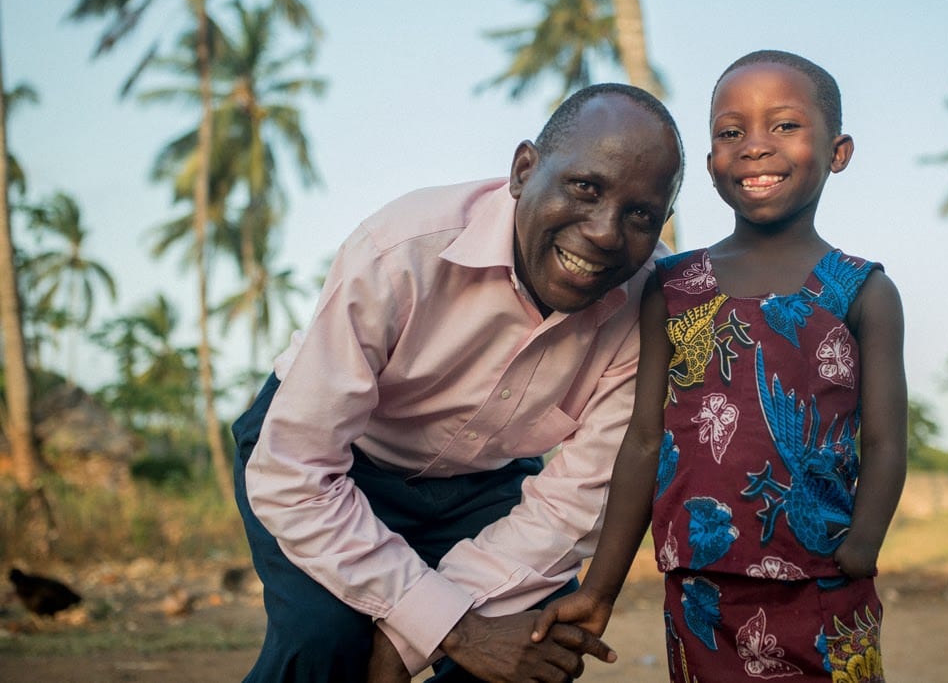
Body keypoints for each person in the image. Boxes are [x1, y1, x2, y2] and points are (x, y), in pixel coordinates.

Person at [231, 82, 685, 683]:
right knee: (324, 642)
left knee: (535, 644)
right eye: (586, 187)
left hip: (480, 486)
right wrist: (453, 628)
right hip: (327, 465)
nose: (605, 232)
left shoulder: (646, 309)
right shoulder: (402, 251)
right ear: (524, 169)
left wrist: (405, 639)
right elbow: (296, 473)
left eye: (640, 216)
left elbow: (574, 503)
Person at [532, 50, 908, 681]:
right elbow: (645, 439)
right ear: (709, 166)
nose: (755, 147)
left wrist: (862, 545)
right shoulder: (675, 286)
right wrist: (601, 589)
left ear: (838, 151)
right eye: (731, 133)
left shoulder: (861, 291)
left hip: (822, 584)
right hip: (700, 592)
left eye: (784, 126)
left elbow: (886, 440)